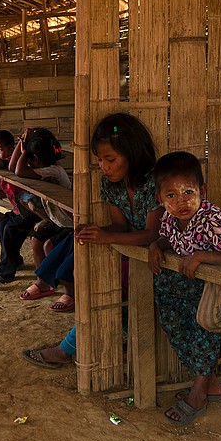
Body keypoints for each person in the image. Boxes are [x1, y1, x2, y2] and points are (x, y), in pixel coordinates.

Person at [21, 112, 161, 366]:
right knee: (97, 283)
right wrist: (97, 231)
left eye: (110, 159)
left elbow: (153, 233)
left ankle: (66, 350)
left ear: (132, 153)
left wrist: (106, 235)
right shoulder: (112, 185)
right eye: (100, 160)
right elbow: (120, 225)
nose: (104, 166)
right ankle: (100, 338)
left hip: (158, 258)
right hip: (133, 255)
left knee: (109, 295)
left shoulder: (154, 183)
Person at [148, 151, 221, 425]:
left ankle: (208, 390)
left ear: (203, 191)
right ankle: (210, 383)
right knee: (172, 313)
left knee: (208, 320)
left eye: (188, 192)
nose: (181, 201)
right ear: (159, 198)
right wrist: (156, 245)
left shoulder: (210, 218)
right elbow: (169, 239)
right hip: (214, 280)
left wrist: (201, 256)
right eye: (171, 195)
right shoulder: (170, 219)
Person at [0, 128, 70, 285]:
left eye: (29, 157)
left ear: (35, 158)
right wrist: (22, 144)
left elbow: (17, 170)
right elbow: (12, 168)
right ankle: (16, 261)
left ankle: (7, 271)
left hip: (63, 219)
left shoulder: (54, 171)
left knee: (12, 231)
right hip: (50, 215)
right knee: (1, 227)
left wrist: (24, 151)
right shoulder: (41, 168)